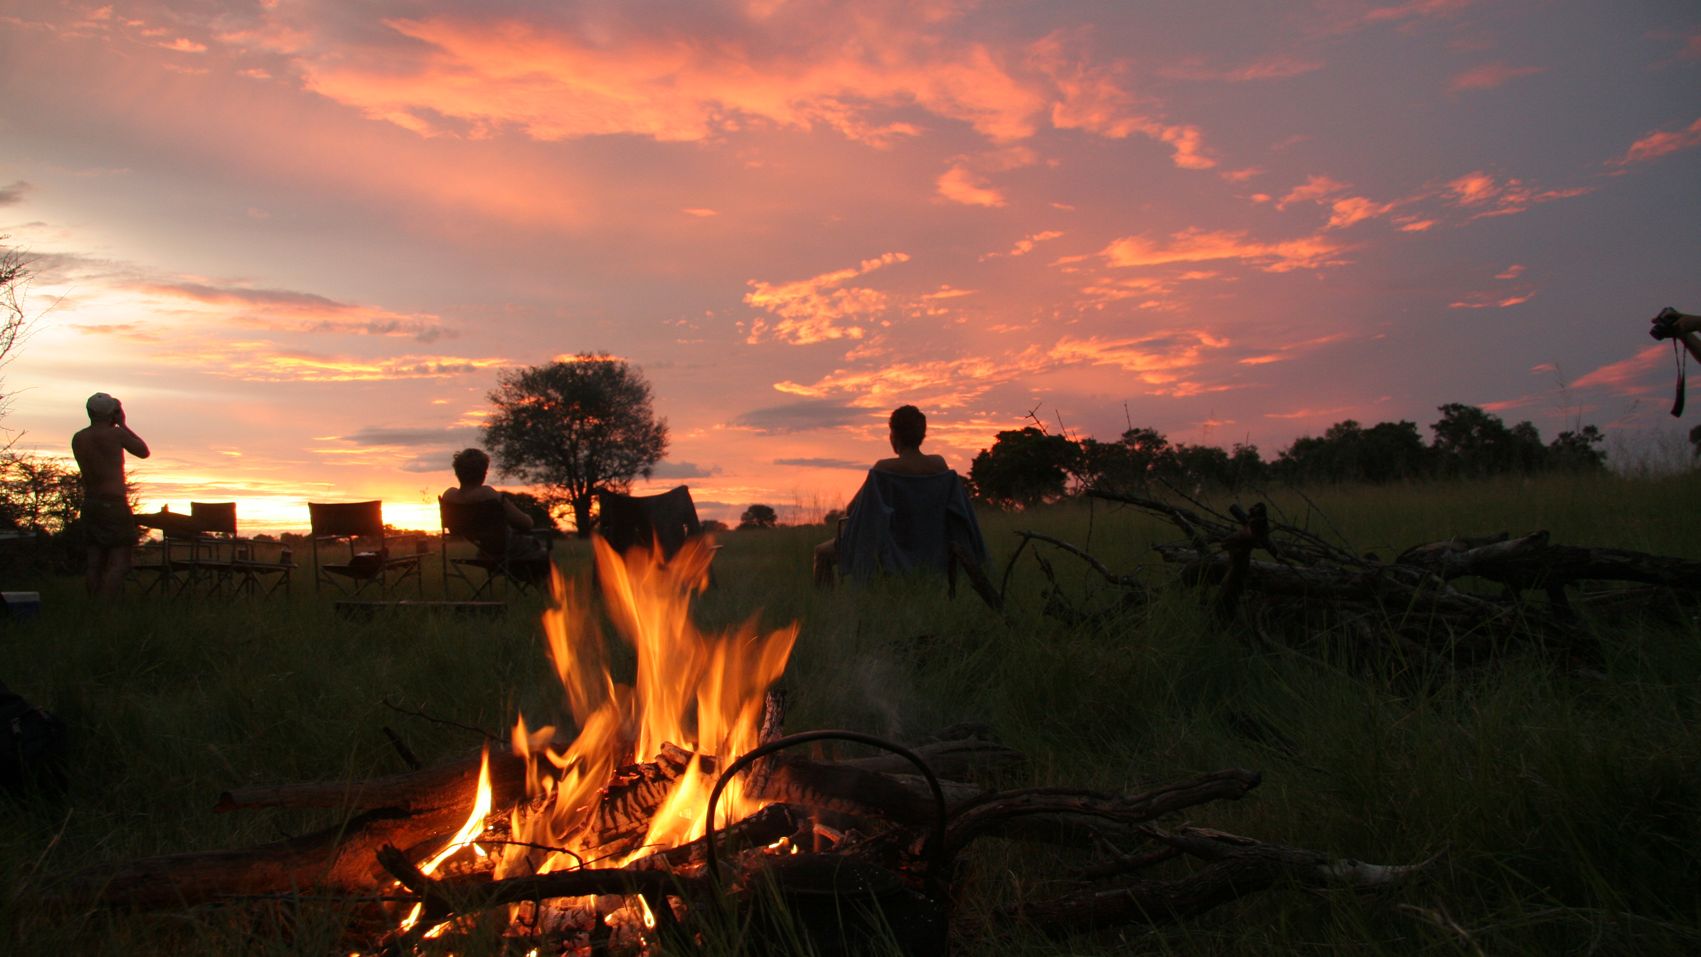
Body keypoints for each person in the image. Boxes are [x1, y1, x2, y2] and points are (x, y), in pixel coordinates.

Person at [813, 405, 950, 586]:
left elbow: (853, 509)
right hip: (933, 546)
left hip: (890, 548)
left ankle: (826, 602)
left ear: (894, 435)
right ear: (923, 434)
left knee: (822, 553)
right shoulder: (939, 465)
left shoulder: (884, 469)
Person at [71, 392, 150, 599]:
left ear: (89, 412)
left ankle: (93, 604)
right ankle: (105, 607)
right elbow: (143, 451)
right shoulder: (116, 434)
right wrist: (122, 424)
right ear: (112, 413)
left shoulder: (79, 438)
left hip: (91, 503)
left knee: (94, 562)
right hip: (113, 504)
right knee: (119, 562)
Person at [440, 448, 548, 560]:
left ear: (457, 472)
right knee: (541, 547)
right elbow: (526, 523)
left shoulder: (449, 496)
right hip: (509, 551)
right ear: (484, 473)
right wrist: (528, 517)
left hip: (484, 552)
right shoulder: (488, 495)